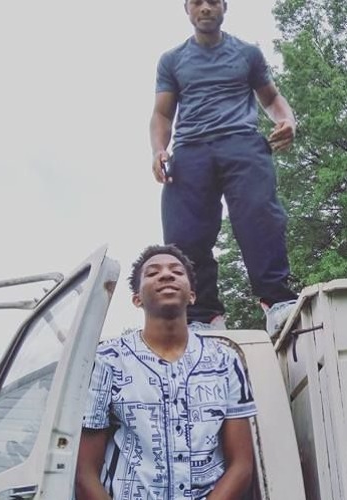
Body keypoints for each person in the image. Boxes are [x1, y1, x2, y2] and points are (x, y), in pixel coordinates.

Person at [149, 0, 297, 334]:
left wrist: (287, 119)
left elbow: (271, 98)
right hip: (190, 149)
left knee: (260, 216)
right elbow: (162, 114)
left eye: (213, 1)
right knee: (184, 234)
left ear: (224, 7)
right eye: (197, 2)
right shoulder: (172, 60)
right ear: (187, 9)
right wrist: (158, 149)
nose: (205, 8)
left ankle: (277, 302)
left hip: (241, 142)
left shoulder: (247, 54)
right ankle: (203, 316)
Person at [75, 244, 257, 499]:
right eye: (152, 273)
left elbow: (242, 465)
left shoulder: (225, 361)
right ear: (137, 299)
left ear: (192, 296)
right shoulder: (107, 361)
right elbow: (84, 473)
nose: (166, 275)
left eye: (176, 271)